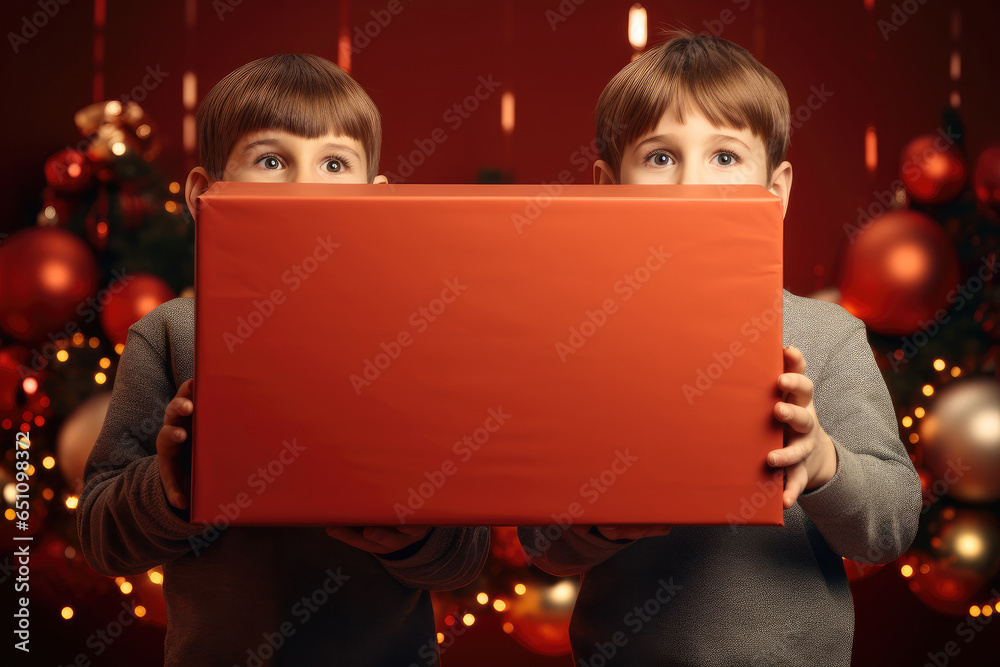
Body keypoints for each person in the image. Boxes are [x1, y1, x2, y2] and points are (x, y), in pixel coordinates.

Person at [518, 30, 921, 666]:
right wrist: (599, 520)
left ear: (778, 190)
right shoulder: (587, 341)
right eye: (658, 158)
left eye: (726, 157)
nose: (691, 185)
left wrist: (820, 463)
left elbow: (891, 525)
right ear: (607, 188)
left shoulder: (827, 334)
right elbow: (541, 540)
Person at [78, 53, 489, 667]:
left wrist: (415, 534)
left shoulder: (414, 342)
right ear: (203, 194)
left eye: (333, 164)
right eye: (271, 161)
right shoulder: (169, 335)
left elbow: (467, 553)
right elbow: (101, 538)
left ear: (374, 201)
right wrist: (172, 492)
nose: (304, 186)